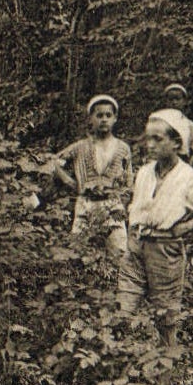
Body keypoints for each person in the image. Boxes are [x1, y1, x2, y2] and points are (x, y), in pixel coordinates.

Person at [118, 108, 193, 344]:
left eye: (158, 139)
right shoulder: (145, 172)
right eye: (148, 138)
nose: (150, 145)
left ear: (177, 143)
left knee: (165, 315)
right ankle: (122, 356)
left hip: (164, 249)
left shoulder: (188, 177)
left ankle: (168, 358)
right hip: (136, 245)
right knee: (124, 308)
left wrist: (187, 227)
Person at [50, 93, 133, 264]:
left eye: (108, 115)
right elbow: (54, 162)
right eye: (99, 115)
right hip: (85, 205)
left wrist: (122, 201)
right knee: (78, 254)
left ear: (115, 118)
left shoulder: (123, 148)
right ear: (91, 118)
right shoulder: (81, 147)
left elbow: (128, 180)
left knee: (119, 255)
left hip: (112, 207)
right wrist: (69, 181)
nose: (104, 119)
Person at [162, 81, 193, 172]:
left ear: (184, 101)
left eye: (177, 99)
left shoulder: (189, 124)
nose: (174, 102)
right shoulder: (161, 122)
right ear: (166, 101)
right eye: (171, 99)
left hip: (183, 162)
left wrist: (188, 165)